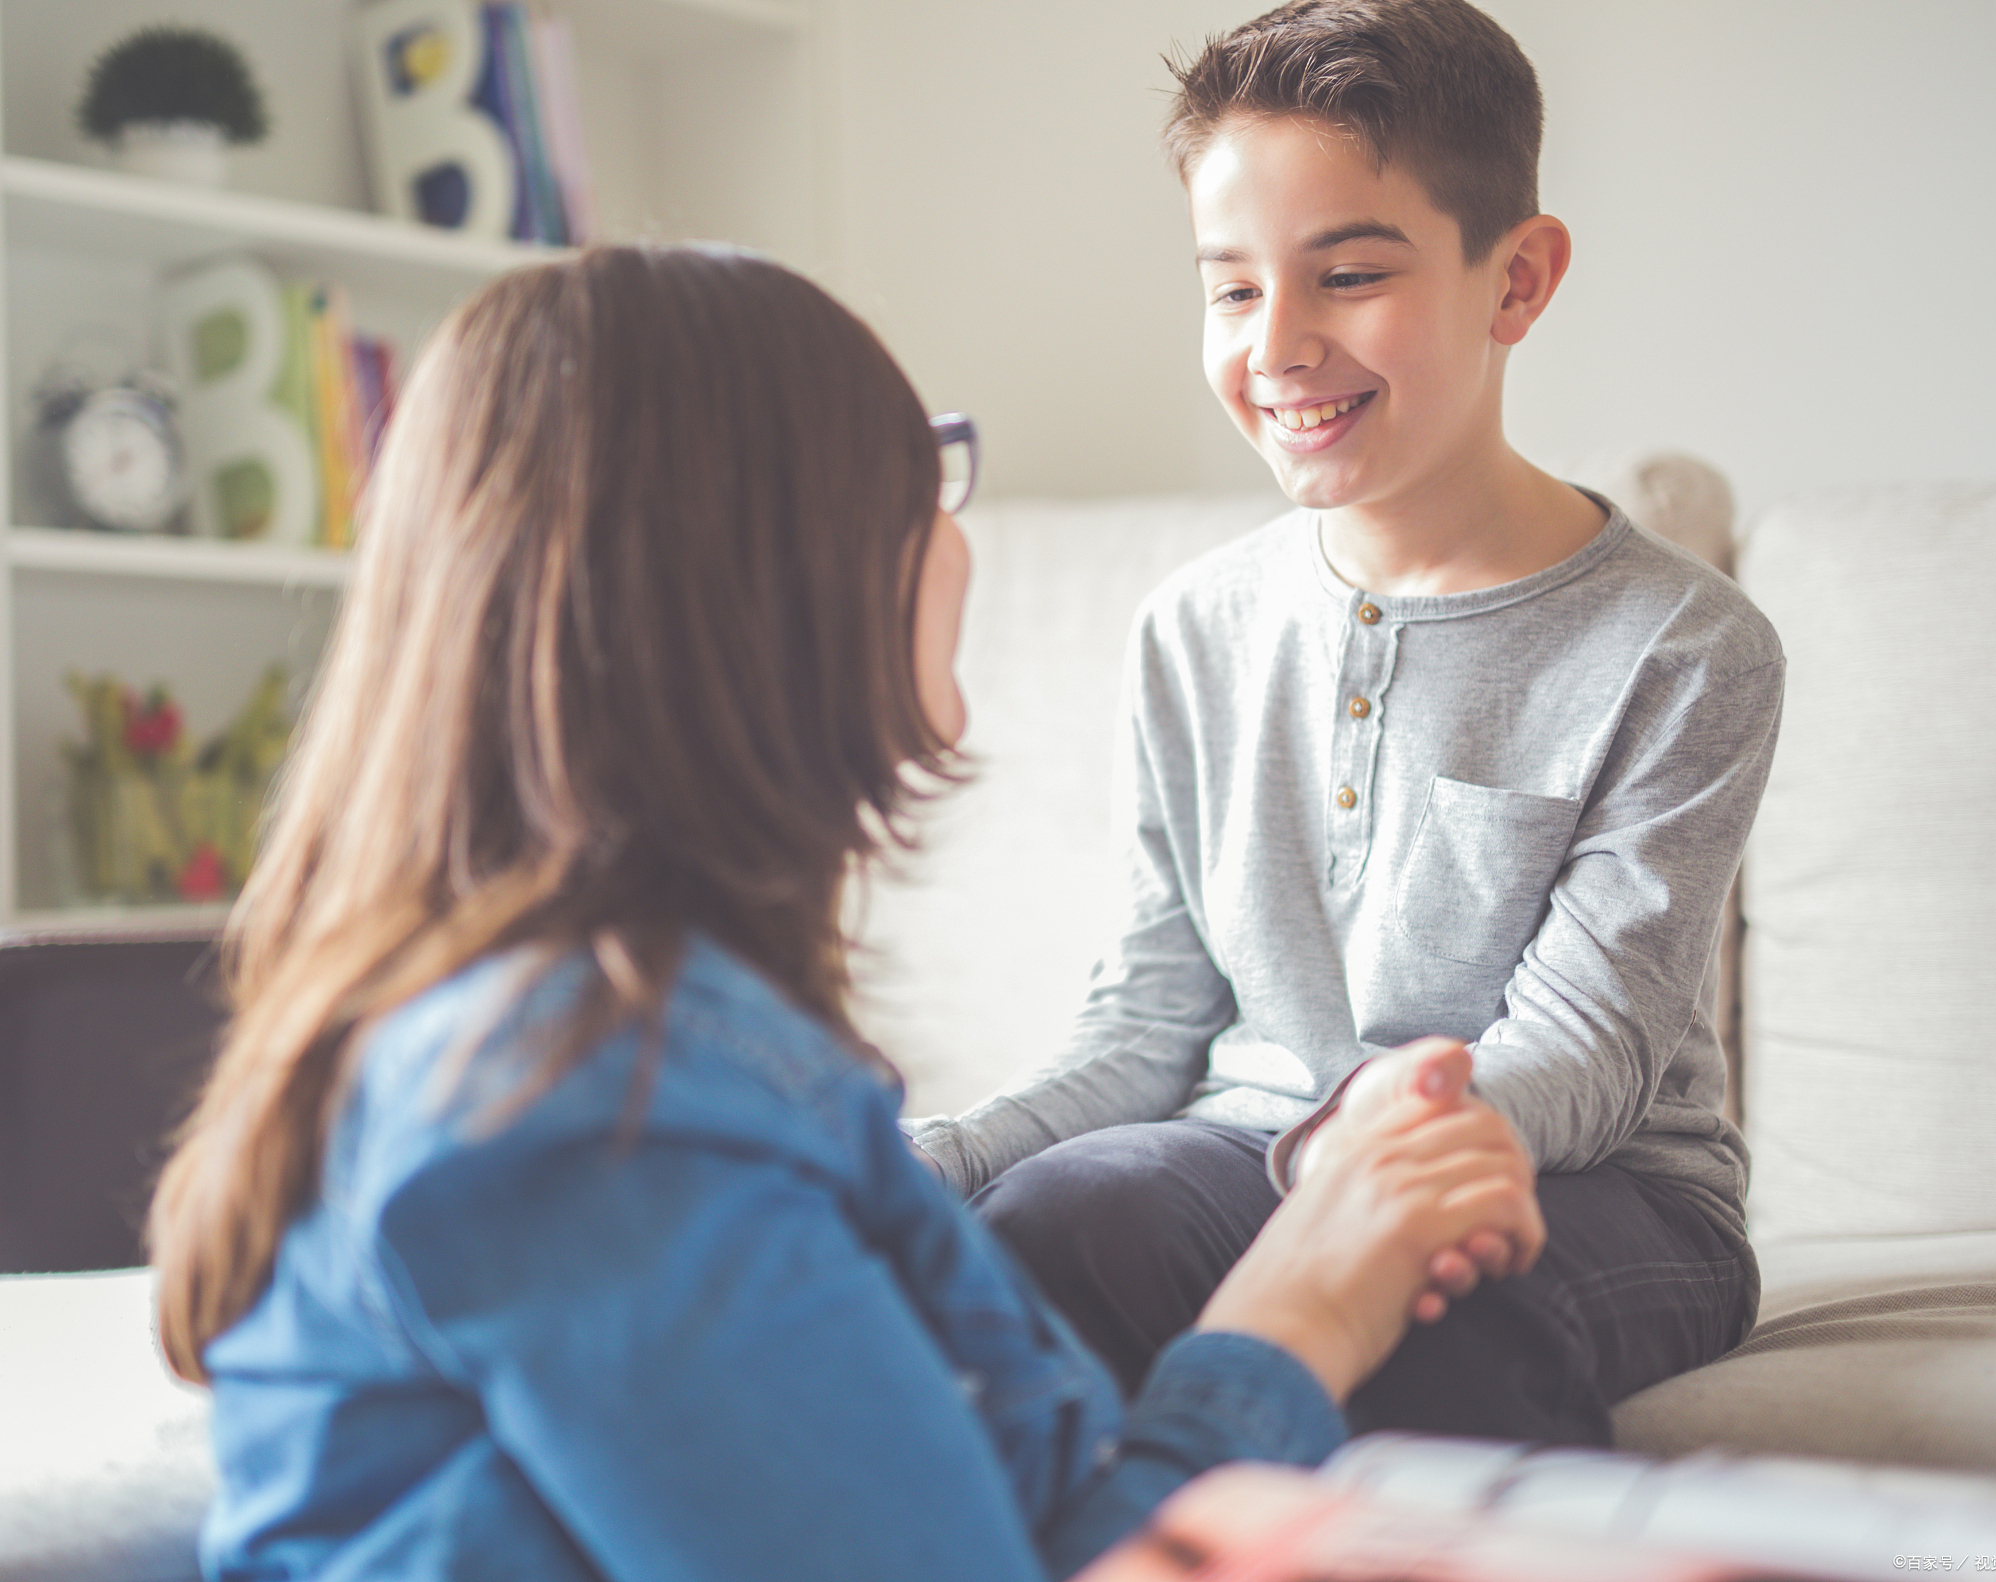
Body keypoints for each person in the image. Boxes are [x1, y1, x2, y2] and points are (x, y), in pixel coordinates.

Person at [146, 245, 1543, 1581]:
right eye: (921, 473)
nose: (956, 530)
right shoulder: (583, 1109)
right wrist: (1304, 1305)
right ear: (776, 567)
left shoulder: (662, 1055)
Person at [909, 0, 1786, 1446]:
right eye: (1233, 289)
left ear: (1518, 280)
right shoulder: (1191, 629)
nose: (1280, 345)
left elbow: (1587, 1049)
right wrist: (934, 1161)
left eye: (1350, 274)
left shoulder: (1684, 646)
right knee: (1054, 1217)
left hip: (1596, 1183)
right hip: (1248, 1147)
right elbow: (1148, 1024)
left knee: (1438, 1303)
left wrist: (1361, 1185)